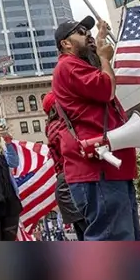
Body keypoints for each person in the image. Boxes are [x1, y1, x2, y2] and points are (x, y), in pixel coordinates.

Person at [51, 17, 139, 240]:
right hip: (98, 170)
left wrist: (99, 41)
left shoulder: (77, 65)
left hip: (106, 167)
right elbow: (106, 88)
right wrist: (103, 57)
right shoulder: (68, 66)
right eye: (81, 32)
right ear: (66, 43)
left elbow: (97, 71)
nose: (87, 34)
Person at [42, 93, 88, 240]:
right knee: (89, 231)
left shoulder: (55, 126)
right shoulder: (58, 127)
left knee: (85, 233)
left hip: (68, 183)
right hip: (69, 183)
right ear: (56, 106)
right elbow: (71, 149)